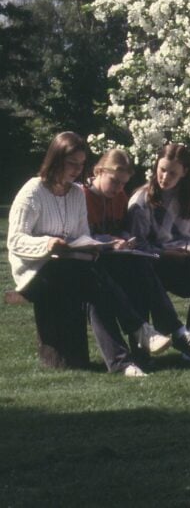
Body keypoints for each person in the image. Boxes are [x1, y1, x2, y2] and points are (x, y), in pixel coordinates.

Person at [7, 132, 154, 376]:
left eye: (81, 164)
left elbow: (81, 235)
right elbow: (14, 241)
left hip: (70, 266)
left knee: (99, 280)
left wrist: (90, 247)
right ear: (56, 160)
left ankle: (121, 362)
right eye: (71, 163)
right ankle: (139, 329)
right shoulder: (32, 191)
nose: (77, 170)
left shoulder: (76, 193)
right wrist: (47, 243)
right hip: (34, 271)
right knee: (89, 276)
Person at [85, 149, 190, 362]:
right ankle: (177, 331)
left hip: (121, 260)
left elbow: (125, 230)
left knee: (142, 267)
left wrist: (124, 239)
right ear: (98, 171)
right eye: (114, 181)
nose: (119, 188)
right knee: (141, 268)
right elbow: (82, 235)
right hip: (95, 266)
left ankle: (179, 333)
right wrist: (112, 241)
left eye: (123, 184)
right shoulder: (84, 196)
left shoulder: (119, 197)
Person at [127, 142, 190, 354]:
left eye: (172, 173)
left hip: (186, 257)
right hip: (156, 264)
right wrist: (165, 253)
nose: (165, 177)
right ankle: (184, 336)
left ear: (184, 172)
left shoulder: (189, 195)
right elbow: (138, 245)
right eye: (162, 170)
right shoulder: (142, 200)